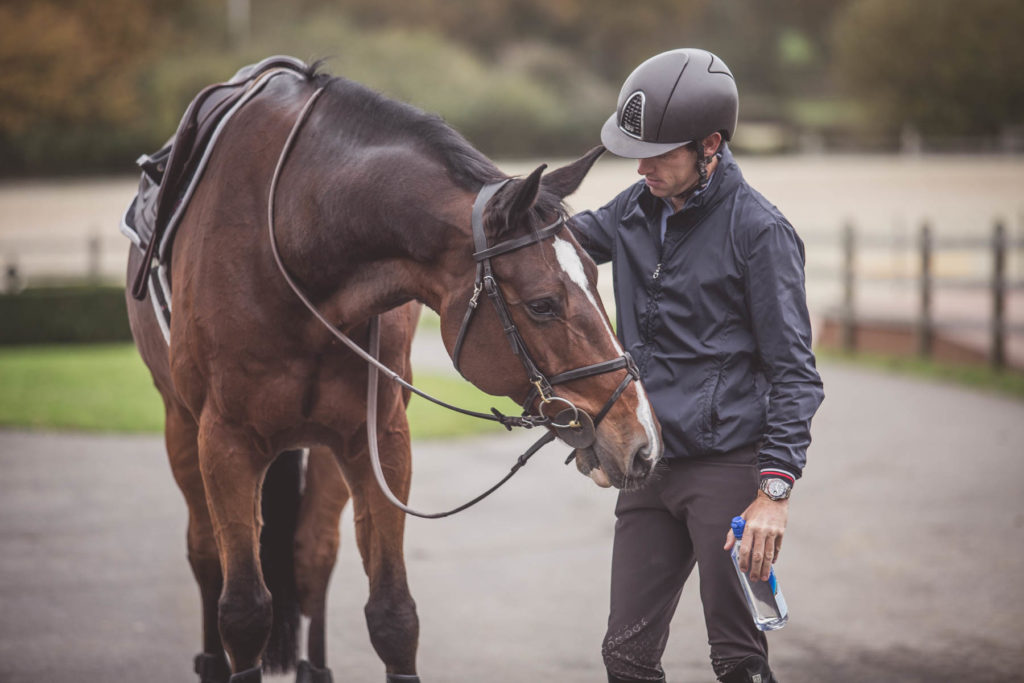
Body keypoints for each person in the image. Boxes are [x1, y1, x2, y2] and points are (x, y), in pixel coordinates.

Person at [569, 48, 825, 683]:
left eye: (662, 152)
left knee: (737, 661)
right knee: (624, 658)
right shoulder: (631, 210)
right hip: (648, 466)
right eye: (637, 152)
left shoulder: (759, 231)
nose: (644, 166)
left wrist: (774, 492)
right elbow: (552, 248)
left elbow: (795, 372)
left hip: (729, 475)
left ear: (711, 143)